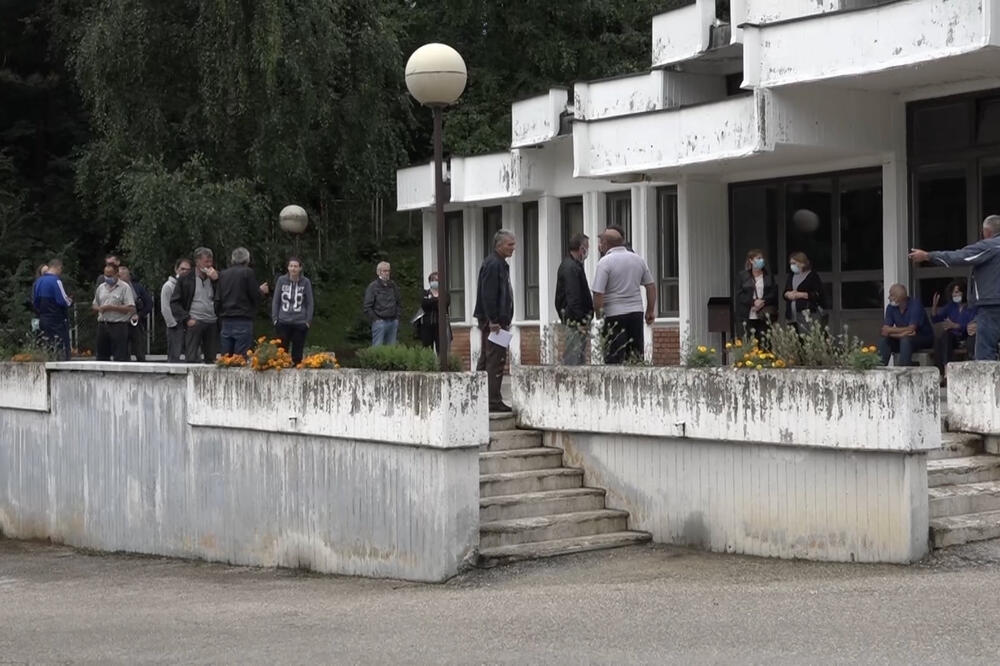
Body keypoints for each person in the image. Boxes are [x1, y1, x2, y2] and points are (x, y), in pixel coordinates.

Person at [910, 215, 1000, 360]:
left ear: (987, 232)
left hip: (992, 305)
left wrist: (928, 256)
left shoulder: (990, 246)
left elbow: (960, 256)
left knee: (985, 354)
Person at [592, 227, 656, 364]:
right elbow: (650, 286)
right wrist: (650, 310)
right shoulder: (638, 259)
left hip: (613, 315)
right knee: (635, 355)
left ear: (606, 244)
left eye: (600, 242)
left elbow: (598, 293)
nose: (599, 245)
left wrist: (599, 315)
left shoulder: (605, 262)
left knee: (614, 357)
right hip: (636, 313)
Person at [474, 229, 516, 412]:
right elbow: (489, 294)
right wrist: (493, 320)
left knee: (488, 359)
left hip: (496, 321)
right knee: (495, 359)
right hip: (494, 323)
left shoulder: (498, 263)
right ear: (499, 245)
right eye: (510, 244)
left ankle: (481, 397)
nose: (513, 248)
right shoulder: (494, 264)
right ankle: (492, 400)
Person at [215, 247, 269, 356]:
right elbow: (254, 295)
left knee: (226, 357)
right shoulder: (247, 272)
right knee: (240, 357)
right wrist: (261, 292)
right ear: (247, 260)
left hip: (226, 319)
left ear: (232, 259)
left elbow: (218, 298)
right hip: (243, 319)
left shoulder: (223, 274)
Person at [170, 247, 219, 364]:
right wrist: (186, 319)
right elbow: (174, 302)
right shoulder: (185, 279)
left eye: (211, 261)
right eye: (206, 262)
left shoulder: (217, 277)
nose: (209, 265)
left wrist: (216, 280)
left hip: (212, 321)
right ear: (197, 262)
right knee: (191, 357)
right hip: (195, 320)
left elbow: (223, 297)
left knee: (211, 358)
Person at [555, 233, 594, 365]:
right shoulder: (570, 268)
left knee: (578, 356)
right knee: (573, 358)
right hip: (574, 321)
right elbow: (574, 296)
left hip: (575, 319)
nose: (587, 251)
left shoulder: (574, 265)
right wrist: (580, 321)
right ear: (581, 248)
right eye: (587, 248)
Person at [877, 283, 935, 367]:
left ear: (899, 298)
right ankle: (879, 368)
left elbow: (912, 328)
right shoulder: (890, 307)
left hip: (922, 338)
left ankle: (903, 370)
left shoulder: (915, 305)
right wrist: (901, 334)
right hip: (903, 337)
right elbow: (885, 331)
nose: (889, 298)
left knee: (905, 340)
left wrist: (891, 331)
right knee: (884, 339)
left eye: (892, 295)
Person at [931, 280, 977, 379]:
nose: (954, 295)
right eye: (953, 292)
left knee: (948, 337)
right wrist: (934, 307)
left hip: (966, 337)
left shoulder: (971, 307)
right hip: (953, 338)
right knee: (942, 337)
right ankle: (944, 371)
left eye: (957, 292)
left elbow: (971, 325)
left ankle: (948, 371)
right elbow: (936, 319)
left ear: (963, 292)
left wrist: (956, 326)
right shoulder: (950, 306)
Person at [272, 256, 314, 365]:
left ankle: (297, 369)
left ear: (300, 268)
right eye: (291, 266)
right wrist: (275, 319)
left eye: (295, 266)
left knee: (297, 354)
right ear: (288, 267)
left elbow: (309, 303)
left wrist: (308, 321)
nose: (293, 269)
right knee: (281, 354)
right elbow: (276, 301)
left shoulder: (306, 282)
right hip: (283, 321)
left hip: (300, 322)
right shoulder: (281, 280)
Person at [92, 260, 135, 361]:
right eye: (106, 275)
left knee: (120, 357)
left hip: (118, 326)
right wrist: (99, 308)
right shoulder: (101, 288)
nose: (107, 278)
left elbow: (130, 308)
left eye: (110, 275)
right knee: (101, 356)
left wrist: (112, 307)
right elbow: (94, 305)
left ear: (116, 274)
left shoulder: (125, 288)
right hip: (103, 324)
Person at [735, 249, 778, 344]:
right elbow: (740, 295)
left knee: (765, 342)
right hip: (747, 315)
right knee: (748, 342)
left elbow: (773, 293)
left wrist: (763, 302)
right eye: (758, 258)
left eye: (762, 258)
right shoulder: (743, 276)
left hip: (764, 314)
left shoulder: (768, 276)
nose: (761, 260)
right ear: (751, 260)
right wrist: (753, 302)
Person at [32, 259, 72, 360]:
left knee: (47, 346)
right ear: (58, 267)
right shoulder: (56, 281)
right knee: (60, 346)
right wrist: (70, 301)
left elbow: (35, 302)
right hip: (56, 319)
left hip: (43, 318)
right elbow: (63, 300)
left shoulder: (38, 281)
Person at [783, 251, 826, 333]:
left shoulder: (812, 276)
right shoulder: (791, 276)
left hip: (807, 315)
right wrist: (788, 294)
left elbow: (818, 294)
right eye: (791, 264)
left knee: (806, 336)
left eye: (794, 263)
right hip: (791, 316)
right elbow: (785, 292)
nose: (792, 266)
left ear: (802, 263)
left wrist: (801, 295)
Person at [160, 258, 192, 363]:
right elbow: (165, 307)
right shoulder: (168, 286)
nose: (185, 272)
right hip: (175, 324)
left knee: (192, 354)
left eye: (188, 270)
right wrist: (172, 323)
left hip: (188, 322)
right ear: (176, 269)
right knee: (174, 354)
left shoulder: (191, 284)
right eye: (182, 269)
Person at [117, 266, 152, 362]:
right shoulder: (113, 288)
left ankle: (142, 365)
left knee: (139, 349)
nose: (120, 278)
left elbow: (149, 303)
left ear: (128, 276)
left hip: (135, 322)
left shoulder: (137, 287)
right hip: (120, 323)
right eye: (119, 275)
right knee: (123, 352)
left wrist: (139, 315)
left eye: (123, 275)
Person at [363, 261, 401, 346]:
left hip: (392, 321)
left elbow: (398, 302)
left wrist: (397, 317)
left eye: (388, 271)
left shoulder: (393, 285)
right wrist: (376, 319)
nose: (387, 273)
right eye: (384, 271)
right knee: (378, 348)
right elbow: (367, 306)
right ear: (379, 272)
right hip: (380, 322)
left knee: (391, 349)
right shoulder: (373, 287)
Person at [418, 271, 451, 352]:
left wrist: (431, 301)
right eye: (433, 280)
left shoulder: (445, 294)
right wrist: (436, 300)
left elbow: (444, 304)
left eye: (437, 280)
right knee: (427, 350)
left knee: (441, 349)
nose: (435, 282)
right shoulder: (425, 293)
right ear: (429, 282)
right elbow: (424, 304)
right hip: (427, 326)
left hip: (440, 326)